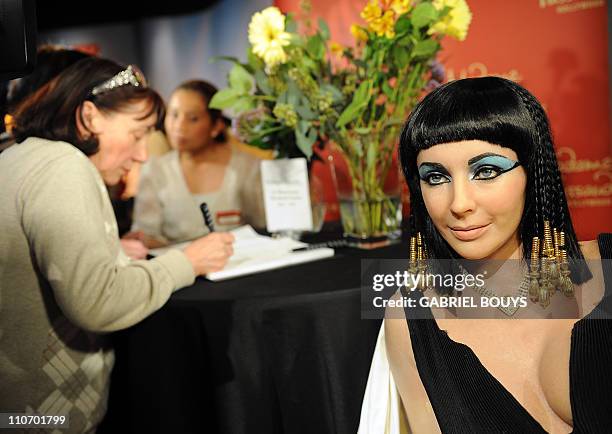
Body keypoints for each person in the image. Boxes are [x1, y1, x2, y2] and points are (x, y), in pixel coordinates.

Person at [358, 77, 611, 433]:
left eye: (486, 171)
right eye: (436, 177)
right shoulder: (410, 319)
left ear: (533, 172)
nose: (459, 203)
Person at [0, 57, 235, 433]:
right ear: (90, 117)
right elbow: (97, 303)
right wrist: (186, 263)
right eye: (138, 134)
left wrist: (108, 252)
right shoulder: (65, 168)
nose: (143, 154)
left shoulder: (20, 155)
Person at [131, 80, 266, 248]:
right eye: (173, 115)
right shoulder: (155, 170)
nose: (179, 126)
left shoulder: (248, 167)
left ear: (216, 126)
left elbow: (264, 228)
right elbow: (144, 235)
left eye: (193, 119)